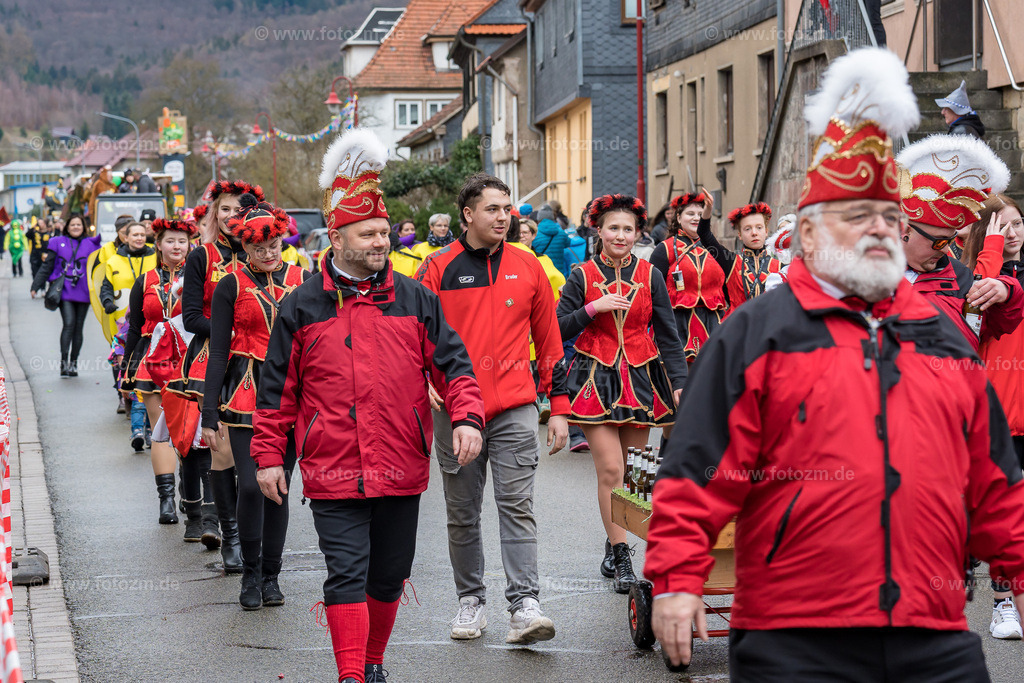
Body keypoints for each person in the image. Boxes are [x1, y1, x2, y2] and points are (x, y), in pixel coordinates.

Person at [646, 47, 1024, 680]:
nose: (878, 229)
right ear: (812, 235)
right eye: (856, 216)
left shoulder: (941, 335)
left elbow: (994, 483)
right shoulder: (756, 334)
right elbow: (699, 468)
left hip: (931, 631)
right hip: (794, 634)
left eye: (888, 217)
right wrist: (677, 578)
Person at [251, 128, 484, 683]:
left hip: (401, 463)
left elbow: (454, 365)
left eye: (384, 232)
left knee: (389, 575)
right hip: (330, 465)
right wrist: (266, 456)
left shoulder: (415, 297)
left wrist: (468, 416)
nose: (381, 242)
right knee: (346, 575)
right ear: (337, 236)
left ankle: (373, 660)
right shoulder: (301, 306)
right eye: (368, 234)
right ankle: (351, 674)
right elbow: (277, 389)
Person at [416, 173, 569, 645]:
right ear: (467, 214)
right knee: (462, 511)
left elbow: (549, 341)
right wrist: (424, 382)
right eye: (493, 209)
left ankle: (525, 604)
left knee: (517, 504)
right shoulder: (437, 267)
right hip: (456, 410)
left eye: (508, 209)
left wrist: (559, 406)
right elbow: (414, 334)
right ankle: (471, 601)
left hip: (515, 406)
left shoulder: (529, 266)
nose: (504, 217)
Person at [556, 194, 687, 593]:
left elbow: (667, 333)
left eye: (628, 229)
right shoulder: (582, 274)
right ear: (599, 231)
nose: (621, 235)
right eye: (613, 228)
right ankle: (622, 555)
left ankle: (618, 538)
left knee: (638, 473)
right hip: (595, 378)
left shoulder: (651, 275)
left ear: (638, 233)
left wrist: (681, 383)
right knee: (611, 470)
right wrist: (592, 308)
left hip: (643, 377)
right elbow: (557, 329)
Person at [201, 194, 309, 610]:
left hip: (293, 395)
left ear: (282, 241)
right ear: (244, 246)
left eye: (274, 247)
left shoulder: (304, 279)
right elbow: (219, 350)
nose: (267, 254)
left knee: (278, 487)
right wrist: (209, 412)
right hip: (246, 391)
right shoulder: (230, 284)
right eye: (258, 248)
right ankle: (249, 572)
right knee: (251, 485)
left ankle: (271, 575)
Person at [170, 180, 262, 575]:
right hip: (213, 357)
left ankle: (250, 529)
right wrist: (230, 331)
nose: (230, 216)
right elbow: (190, 317)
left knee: (255, 453)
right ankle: (228, 532)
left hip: (258, 364)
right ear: (214, 214)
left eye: (237, 210)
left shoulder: (263, 254)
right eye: (223, 209)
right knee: (218, 447)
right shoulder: (201, 257)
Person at [962, 194, 1024, 639]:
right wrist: (995, 252)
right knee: (1005, 518)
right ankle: (1003, 603)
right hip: (999, 416)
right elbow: (975, 307)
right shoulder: (970, 278)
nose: (1014, 233)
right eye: (1003, 227)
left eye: (1018, 223)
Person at [897, 134, 1022, 352]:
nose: (946, 250)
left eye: (950, 240)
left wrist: (1007, 293)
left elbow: (985, 330)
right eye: (938, 242)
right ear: (904, 229)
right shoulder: (862, 274)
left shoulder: (959, 276)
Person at [121, 218, 201, 525]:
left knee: (190, 429)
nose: (177, 247)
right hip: (153, 360)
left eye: (182, 241)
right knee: (162, 429)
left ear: (190, 244)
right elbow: (133, 327)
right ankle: (166, 500)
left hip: (191, 358)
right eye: (170, 241)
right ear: (159, 245)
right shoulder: (144, 281)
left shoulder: (201, 278)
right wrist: (127, 370)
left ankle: (188, 487)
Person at [649, 191, 729, 363]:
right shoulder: (664, 250)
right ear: (678, 218)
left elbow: (728, 286)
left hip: (713, 322)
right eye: (690, 214)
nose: (696, 218)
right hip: (677, 323)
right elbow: (652, 292)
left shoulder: (714, 248)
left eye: (700, 214)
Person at [30, 214, 103, 376]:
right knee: (69, 324)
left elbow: (100, 268)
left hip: (84, 292)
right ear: (67, 227)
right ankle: (64, 363)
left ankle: (73, 363)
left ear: (83, 227)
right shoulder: (57, 242)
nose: (76, 227)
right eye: (72, 225)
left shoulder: (92, 244)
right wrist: (36, 286)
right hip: (64, 290)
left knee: (78, 328)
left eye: (79, 224)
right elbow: (47, 266)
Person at [697, 201, 781, 307]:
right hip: (739, 322)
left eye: (759, 227)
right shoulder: (731, 262)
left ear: (766, 231)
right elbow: (704, 234)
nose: (754, 233)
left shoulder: (779, 267)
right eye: (747, 229)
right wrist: (708, 210)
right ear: (740, 235)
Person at [100, 222, 157, 327]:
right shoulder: (113, 261)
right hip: (122, 318)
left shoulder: (156, 259)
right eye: (135, 235)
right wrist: (107, 301)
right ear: (126, 238)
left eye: (142, 235)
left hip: (150, 315)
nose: (139, 238)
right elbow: (106, 286)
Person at [533, 203, 570, 277]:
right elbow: (568, 243)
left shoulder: (534, 234)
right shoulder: (561, 233)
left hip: (541, 274)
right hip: (558, 274)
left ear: (539, 219)